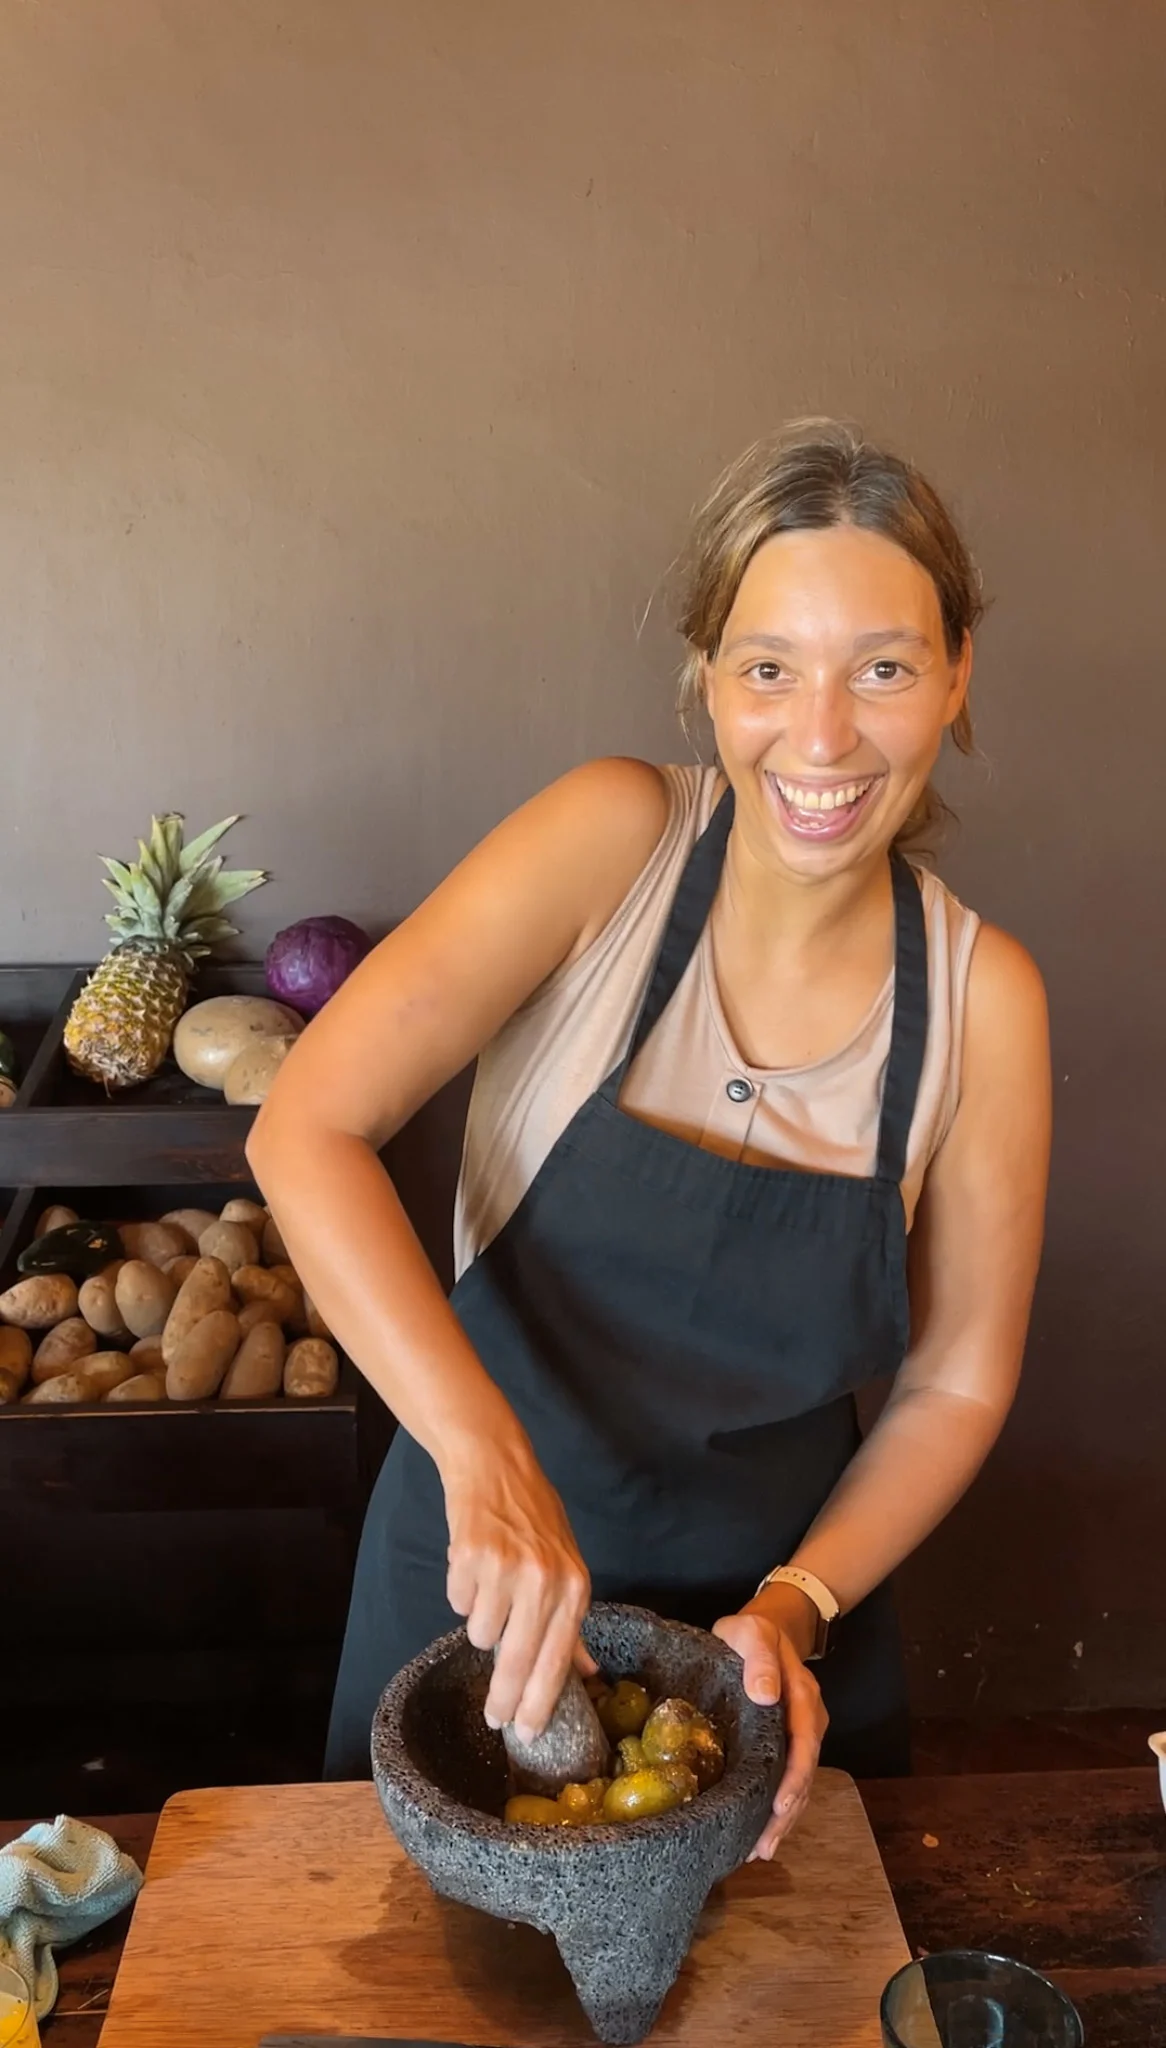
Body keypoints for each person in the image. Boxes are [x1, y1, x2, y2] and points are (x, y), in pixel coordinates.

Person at [248, 419, 1051, 1858]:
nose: (819, 736)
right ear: (705, 681)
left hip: (774, 1634)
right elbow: (308, 1125)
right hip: (472, 1577)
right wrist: (480, 1461)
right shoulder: (605, 840)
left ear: (953, 680)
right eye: (767, 669)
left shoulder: (984, 1001)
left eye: (881, 666)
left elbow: (953, 1383)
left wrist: (798, 1604)